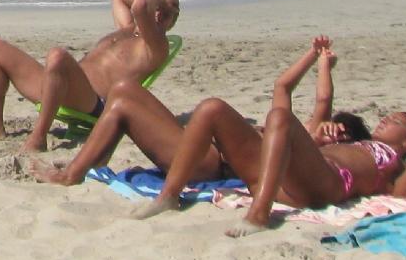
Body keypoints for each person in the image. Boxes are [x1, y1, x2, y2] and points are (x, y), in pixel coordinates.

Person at [133, 41, 406, 233]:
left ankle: (259, 215)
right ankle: (169, 196)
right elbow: (300, 96)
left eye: (395, 121)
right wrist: (319, 60)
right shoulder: (348, 139)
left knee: (279, 117)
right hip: (278, 175)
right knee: (211, 108)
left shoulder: (392, 159)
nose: (386, 120)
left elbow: (404, 195)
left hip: (326, 184)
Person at [33, 35, 350, 189]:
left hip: (209, 164)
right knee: (124, 89)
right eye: (336, 126)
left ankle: (73, 174)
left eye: (341, 133)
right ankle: (94, 158)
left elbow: (323, 102)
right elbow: (283, 88)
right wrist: (318, 59)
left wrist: (329, 131)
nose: (332, 129)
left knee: (122, 100)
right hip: (198, 144)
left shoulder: (316, 153)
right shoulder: (293, 128)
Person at [0, 0, 180, 151]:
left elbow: (140, 5)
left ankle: (38, 137)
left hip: (92, 101)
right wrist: (161, 0)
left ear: (160, 17)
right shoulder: (126, 29)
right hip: (57, 84)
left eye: (169, 7)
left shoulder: (155, 47)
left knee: (57, 56)